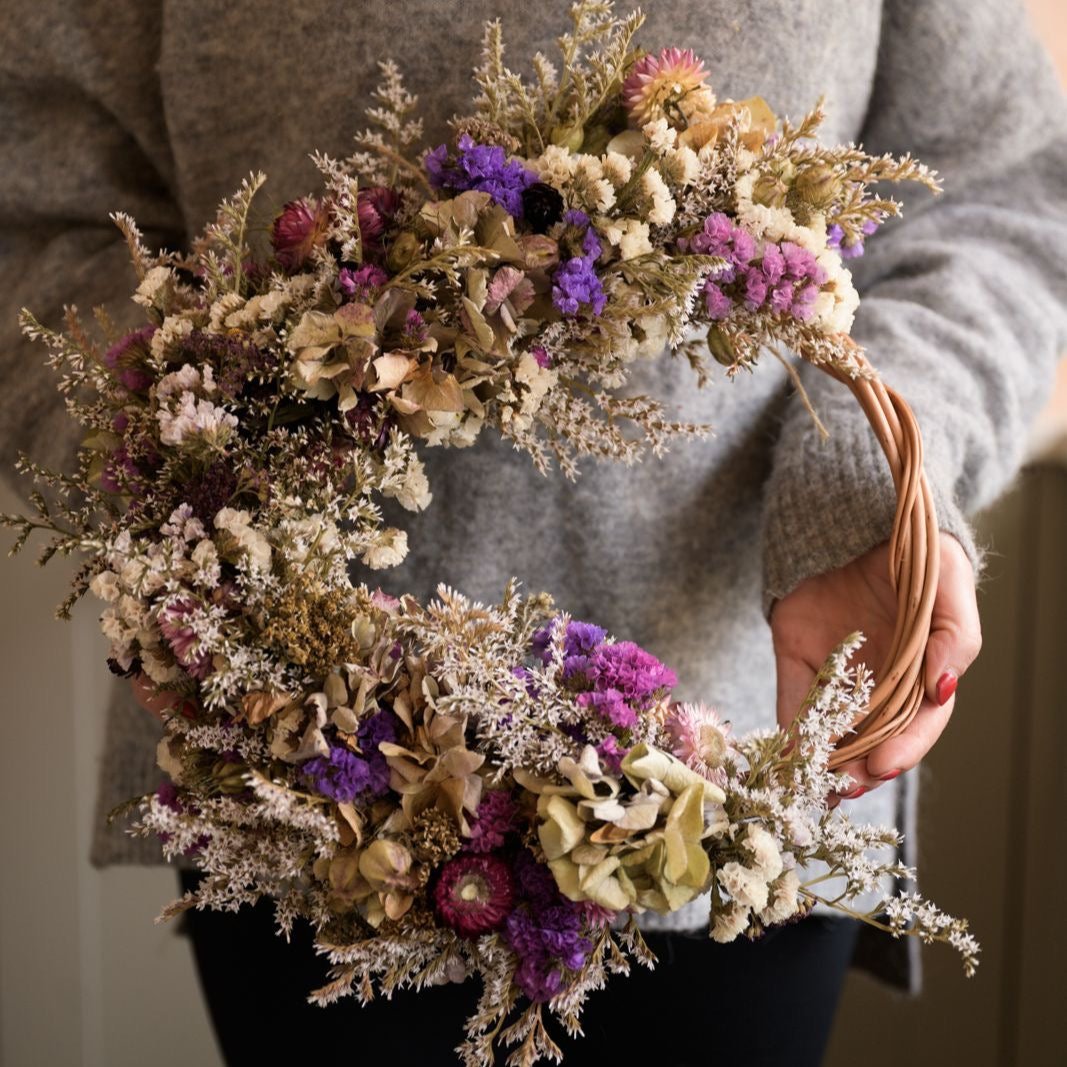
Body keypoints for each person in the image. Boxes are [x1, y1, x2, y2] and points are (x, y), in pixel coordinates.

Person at [1, 0, 1065, 1063]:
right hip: (288, 784)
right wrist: (178, 476)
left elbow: (995, 198)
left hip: (753, 777)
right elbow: (34, 217)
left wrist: (864, 488)